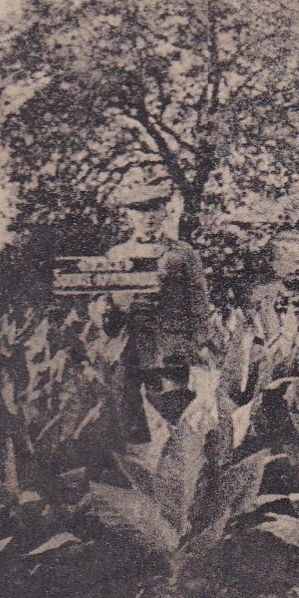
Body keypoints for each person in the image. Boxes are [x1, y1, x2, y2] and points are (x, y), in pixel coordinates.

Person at [104, 174, 216, 423]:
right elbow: (108, 310)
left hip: (169, 347)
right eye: (140, 211)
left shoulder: (182, 253)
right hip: (130, 349)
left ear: (165, 212)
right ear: (129, 216)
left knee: (175, 413)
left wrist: (196, 343)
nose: (148, 217)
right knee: (131, 417)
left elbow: (199, 302)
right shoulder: (116, 255)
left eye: (155, 209)